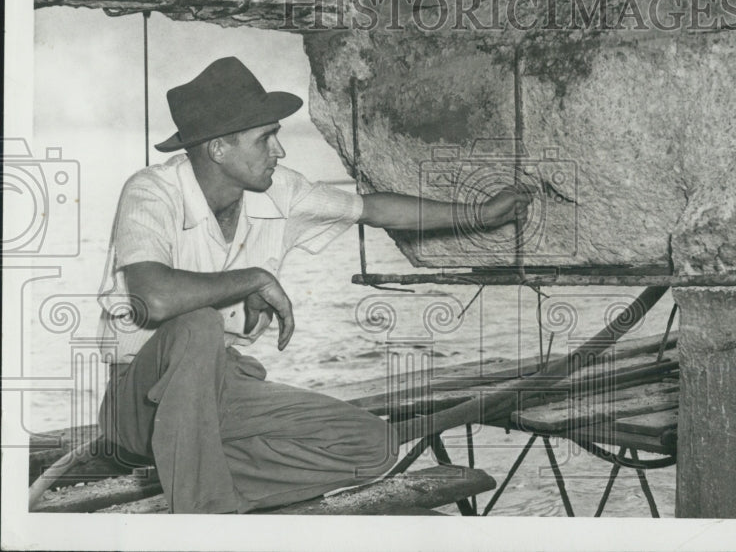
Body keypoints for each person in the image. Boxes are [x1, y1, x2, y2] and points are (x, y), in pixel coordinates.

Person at [96, 56, 531, 513]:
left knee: (373, 444)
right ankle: (207, 516)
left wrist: (479, 215)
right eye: (265, 138)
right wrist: (254, 278)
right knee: (198, 326)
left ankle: (199, 477)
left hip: (219, 394)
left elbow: (373, 209)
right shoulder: (151, 191)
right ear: (219, 148)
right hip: (140, 407)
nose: (279, 151)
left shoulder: (281, 191)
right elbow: (155, 296)